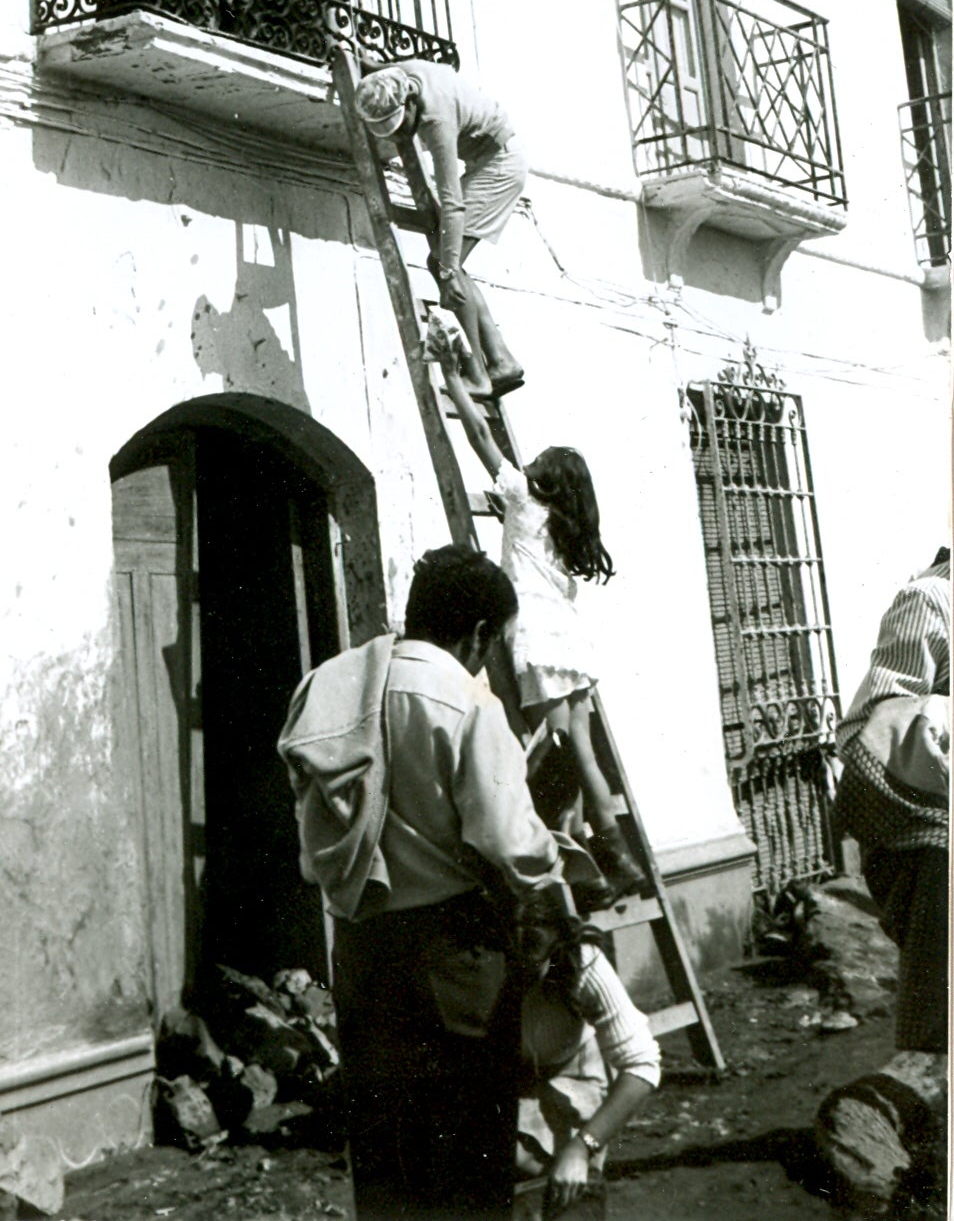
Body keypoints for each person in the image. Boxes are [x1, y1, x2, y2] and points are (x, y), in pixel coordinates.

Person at [278, 545, 594, 1220]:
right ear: (478, 632)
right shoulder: (465, 704)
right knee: (468, 1164)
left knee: (388, 1158)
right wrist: (560, 885)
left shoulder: (329, 689)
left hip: (364, 953)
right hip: (456, 964)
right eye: (497, 642)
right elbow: (512, 844)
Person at [437, 337, 644, 910]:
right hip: (571, 642)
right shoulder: (566, 528)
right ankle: (591, 857)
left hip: (536, 639)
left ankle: (607, 854)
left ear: (546, 478)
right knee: (576, 748)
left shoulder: (525, 501)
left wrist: (451, 375)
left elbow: (480, 436)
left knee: (560, 751)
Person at [353, 59, 527, 401]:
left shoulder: (436, 120)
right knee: (450, 265)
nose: (402, 136)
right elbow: (381, 68)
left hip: (500, 167)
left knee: (444, 266)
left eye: (402, 125)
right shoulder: (403, 76)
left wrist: (446, 272)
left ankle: (478, 375)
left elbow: (453, 203)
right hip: (492, 159)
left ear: (412, 103)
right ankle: (502, 359)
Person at [833, 550, 950, 1055]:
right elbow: (879, 721)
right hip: (915, 812)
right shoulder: (928, 600)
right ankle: (921, 1105)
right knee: (938, 970)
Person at [515, 892, 660, 1217]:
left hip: (574, 1092)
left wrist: (582, 1148)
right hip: (510, 1098)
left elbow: (642, 1064)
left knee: (574, 1195)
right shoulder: (468, 974)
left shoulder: (582, 962)